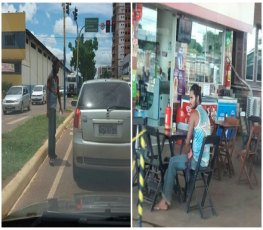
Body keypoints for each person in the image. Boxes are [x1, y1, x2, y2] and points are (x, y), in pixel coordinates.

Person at [154, 83, 211, 210]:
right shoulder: (205, 113)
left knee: (173, 162)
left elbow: (187, 141)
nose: (189, 101)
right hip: (206, 160)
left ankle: (165, 200)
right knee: (175, 161)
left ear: (197, 98)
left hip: (197, 161)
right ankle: (180, 193)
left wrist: (189, 151)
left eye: (191, 98)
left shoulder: (194, 114)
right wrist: (191, 150)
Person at [46, 59, 63, 165]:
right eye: (58, 66)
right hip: (50, 108)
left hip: (54, 107)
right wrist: (47, 109)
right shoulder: (50, 77)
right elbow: (47, 93)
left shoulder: (56, 78)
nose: (59, 68)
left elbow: (58, 93)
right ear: (54, 66)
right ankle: (51, 155)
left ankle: (53, 152)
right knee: (51, 132)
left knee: (54, 132)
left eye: (59, 67)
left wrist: (60, 106)